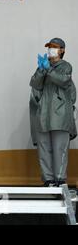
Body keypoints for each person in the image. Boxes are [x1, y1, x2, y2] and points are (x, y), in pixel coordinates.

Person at [29, 38, 76, 187]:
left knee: (59, 148)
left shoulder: (65, 66)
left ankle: (60, 179)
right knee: (44, 148)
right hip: (43, 114)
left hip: (60, 115)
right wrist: (42, 70)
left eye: (54, 47)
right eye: (49, 47)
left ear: (61, 50)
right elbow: (34, 83)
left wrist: (48, 69)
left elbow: (63, 81)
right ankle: (48, 179)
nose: (50, 50)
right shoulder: (44, 66)